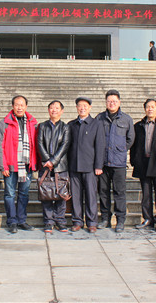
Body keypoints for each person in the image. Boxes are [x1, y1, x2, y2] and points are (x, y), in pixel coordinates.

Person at [0, 95, 38, 233]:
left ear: (26, 106)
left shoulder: (32, 123)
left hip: (26, 165)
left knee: (24, 194)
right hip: (10, 165)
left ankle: (21, 220)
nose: (19, 107)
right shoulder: (5, 123)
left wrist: (34, 163)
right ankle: (12, 221)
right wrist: (2, 166)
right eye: (17, 105)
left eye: (22, 105)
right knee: (10, 194)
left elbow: (35, 144)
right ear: (13, 106)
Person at [130, 99, 156, 233]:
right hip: (143, 164)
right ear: (145, 109)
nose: (150, 109)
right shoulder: (138, 126)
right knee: (146, 194)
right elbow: (134, 146)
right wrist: (134, 160)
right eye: (148, 107)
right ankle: (147, 219)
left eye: (152, 107)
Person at [96, 90, 135, 232]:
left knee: (120, 192)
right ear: (106, 102)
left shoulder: (126, 119)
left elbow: (130, 139)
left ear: (119, 102)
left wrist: (121, 150)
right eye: (109, 101)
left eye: (114, 101)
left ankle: (120, 220)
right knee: (103, 192)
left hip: (119, 163)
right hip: (103, 163)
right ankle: (105, 218)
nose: (111, 103)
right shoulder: (99, 118)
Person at [68, 97, 105, 233]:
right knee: (76, 196)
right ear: (76, 108)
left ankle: (92, 222)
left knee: (91, 195)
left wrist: (98, 165)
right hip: (74, 166)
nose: (82, 108)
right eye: (80, 105)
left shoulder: (97, 124)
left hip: (90, 167)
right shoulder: (71, 124)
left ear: (90, 108)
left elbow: (100, 145)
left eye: (85, 105)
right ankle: (77, 221)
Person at [37, 100, 71, 233]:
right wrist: (47, 160)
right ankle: (48, 221)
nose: (54, 110)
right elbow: (39, 143)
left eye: (57, 108)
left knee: (61, 194)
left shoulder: (65, 127)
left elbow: (65, 145)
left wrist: (53, 161)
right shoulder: (42, 126)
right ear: (48, 110)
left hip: (60, 166)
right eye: (52, 108)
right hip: (45, 166)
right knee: (46, 194)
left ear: (62, 111)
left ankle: (60, 221)